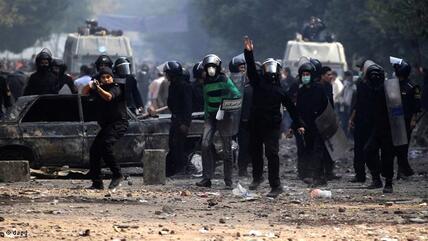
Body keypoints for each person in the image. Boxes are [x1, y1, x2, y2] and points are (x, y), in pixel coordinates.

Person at [243, 36, 304, 197]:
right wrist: (249, 53)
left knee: (272, 154)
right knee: (255, 152)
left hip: (271, 126)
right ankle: (257, 178)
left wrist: (298, 123)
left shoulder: (280, 90)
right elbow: (250, 68)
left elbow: (291, 108)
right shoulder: (258, 83)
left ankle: (276, 185)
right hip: (256, 124)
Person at [195, 54, 241, 189]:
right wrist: (206, 118)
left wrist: (225, 104)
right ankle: (206, 178)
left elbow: (236, 94)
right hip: (210, 116)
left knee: (226, 150)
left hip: (224, 116)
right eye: (208, 67)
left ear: (218, 67)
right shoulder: (205, 82)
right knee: (204, 145)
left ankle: (228, 181)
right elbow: (206, 101)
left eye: (213, 66)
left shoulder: (224, 79)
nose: (211, 69)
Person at [82, 67, 128, 190]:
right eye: (103, 77)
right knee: (94, 151)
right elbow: (83, 92)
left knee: (105, 145)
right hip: (107, 125)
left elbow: (108, 97)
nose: (106, 79)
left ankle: (117, 174)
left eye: (108, 77)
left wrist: (98, 88)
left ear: (112, 78)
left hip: (119, 123)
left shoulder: (116, 87)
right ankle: (97, 183)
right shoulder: (98, 88)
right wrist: (90, 84)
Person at [363, 61, 395, 193]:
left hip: (389, 128)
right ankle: (377, 178)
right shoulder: (370, 89)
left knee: (388, 156)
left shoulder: (389, 89)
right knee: (368, 151)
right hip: (376, 128)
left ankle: (388, 182)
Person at [295, 61, 329, 187]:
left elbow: (325, 107)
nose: (305, 76)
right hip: (306, 127)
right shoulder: (301, 91)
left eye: (307, 74)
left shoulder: (319, 89)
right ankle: (312, 175)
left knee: (318, 152)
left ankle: (318, 176)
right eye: (303, 74)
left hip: (318, 125)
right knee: (308, 151)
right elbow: (298, 110)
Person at [393, 60, 421, 179]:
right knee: (396, 146)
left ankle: (402, 170)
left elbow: (416, 105)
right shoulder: (393, 85)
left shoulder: (413, 87)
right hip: (395, 119)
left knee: (404, 145)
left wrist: (413, 119)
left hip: (407, 119)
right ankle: (402, 169)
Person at [348, 64, 376, 183]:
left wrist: (351, 119)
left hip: (363, 122)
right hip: (370, 122)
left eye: (361, 69)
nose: (359, 71)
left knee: (361, 149)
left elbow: (357, 104)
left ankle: (363, 175)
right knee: (367, 149)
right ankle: (370, 175)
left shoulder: (361, 85)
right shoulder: (377, 85)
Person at [164, 61, 192, 177]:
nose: (165, 75)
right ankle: (172, 170)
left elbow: (187, 106)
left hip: (181, 120)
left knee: (179, 145)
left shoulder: (184, 86)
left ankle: (181, 170)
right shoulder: (173, 85)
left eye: (167, 73)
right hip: (175, 119)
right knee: (173, 144)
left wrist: (185, 123)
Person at [229, 55, 252, 177]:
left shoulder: (248, 84)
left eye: (244, 67)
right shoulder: (228, 82)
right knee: (229, 144)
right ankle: (229, 167)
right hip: (230, 118)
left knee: (244, 145)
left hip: (244, 119)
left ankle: (242, 168)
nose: (243, 70)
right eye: (241, 67)